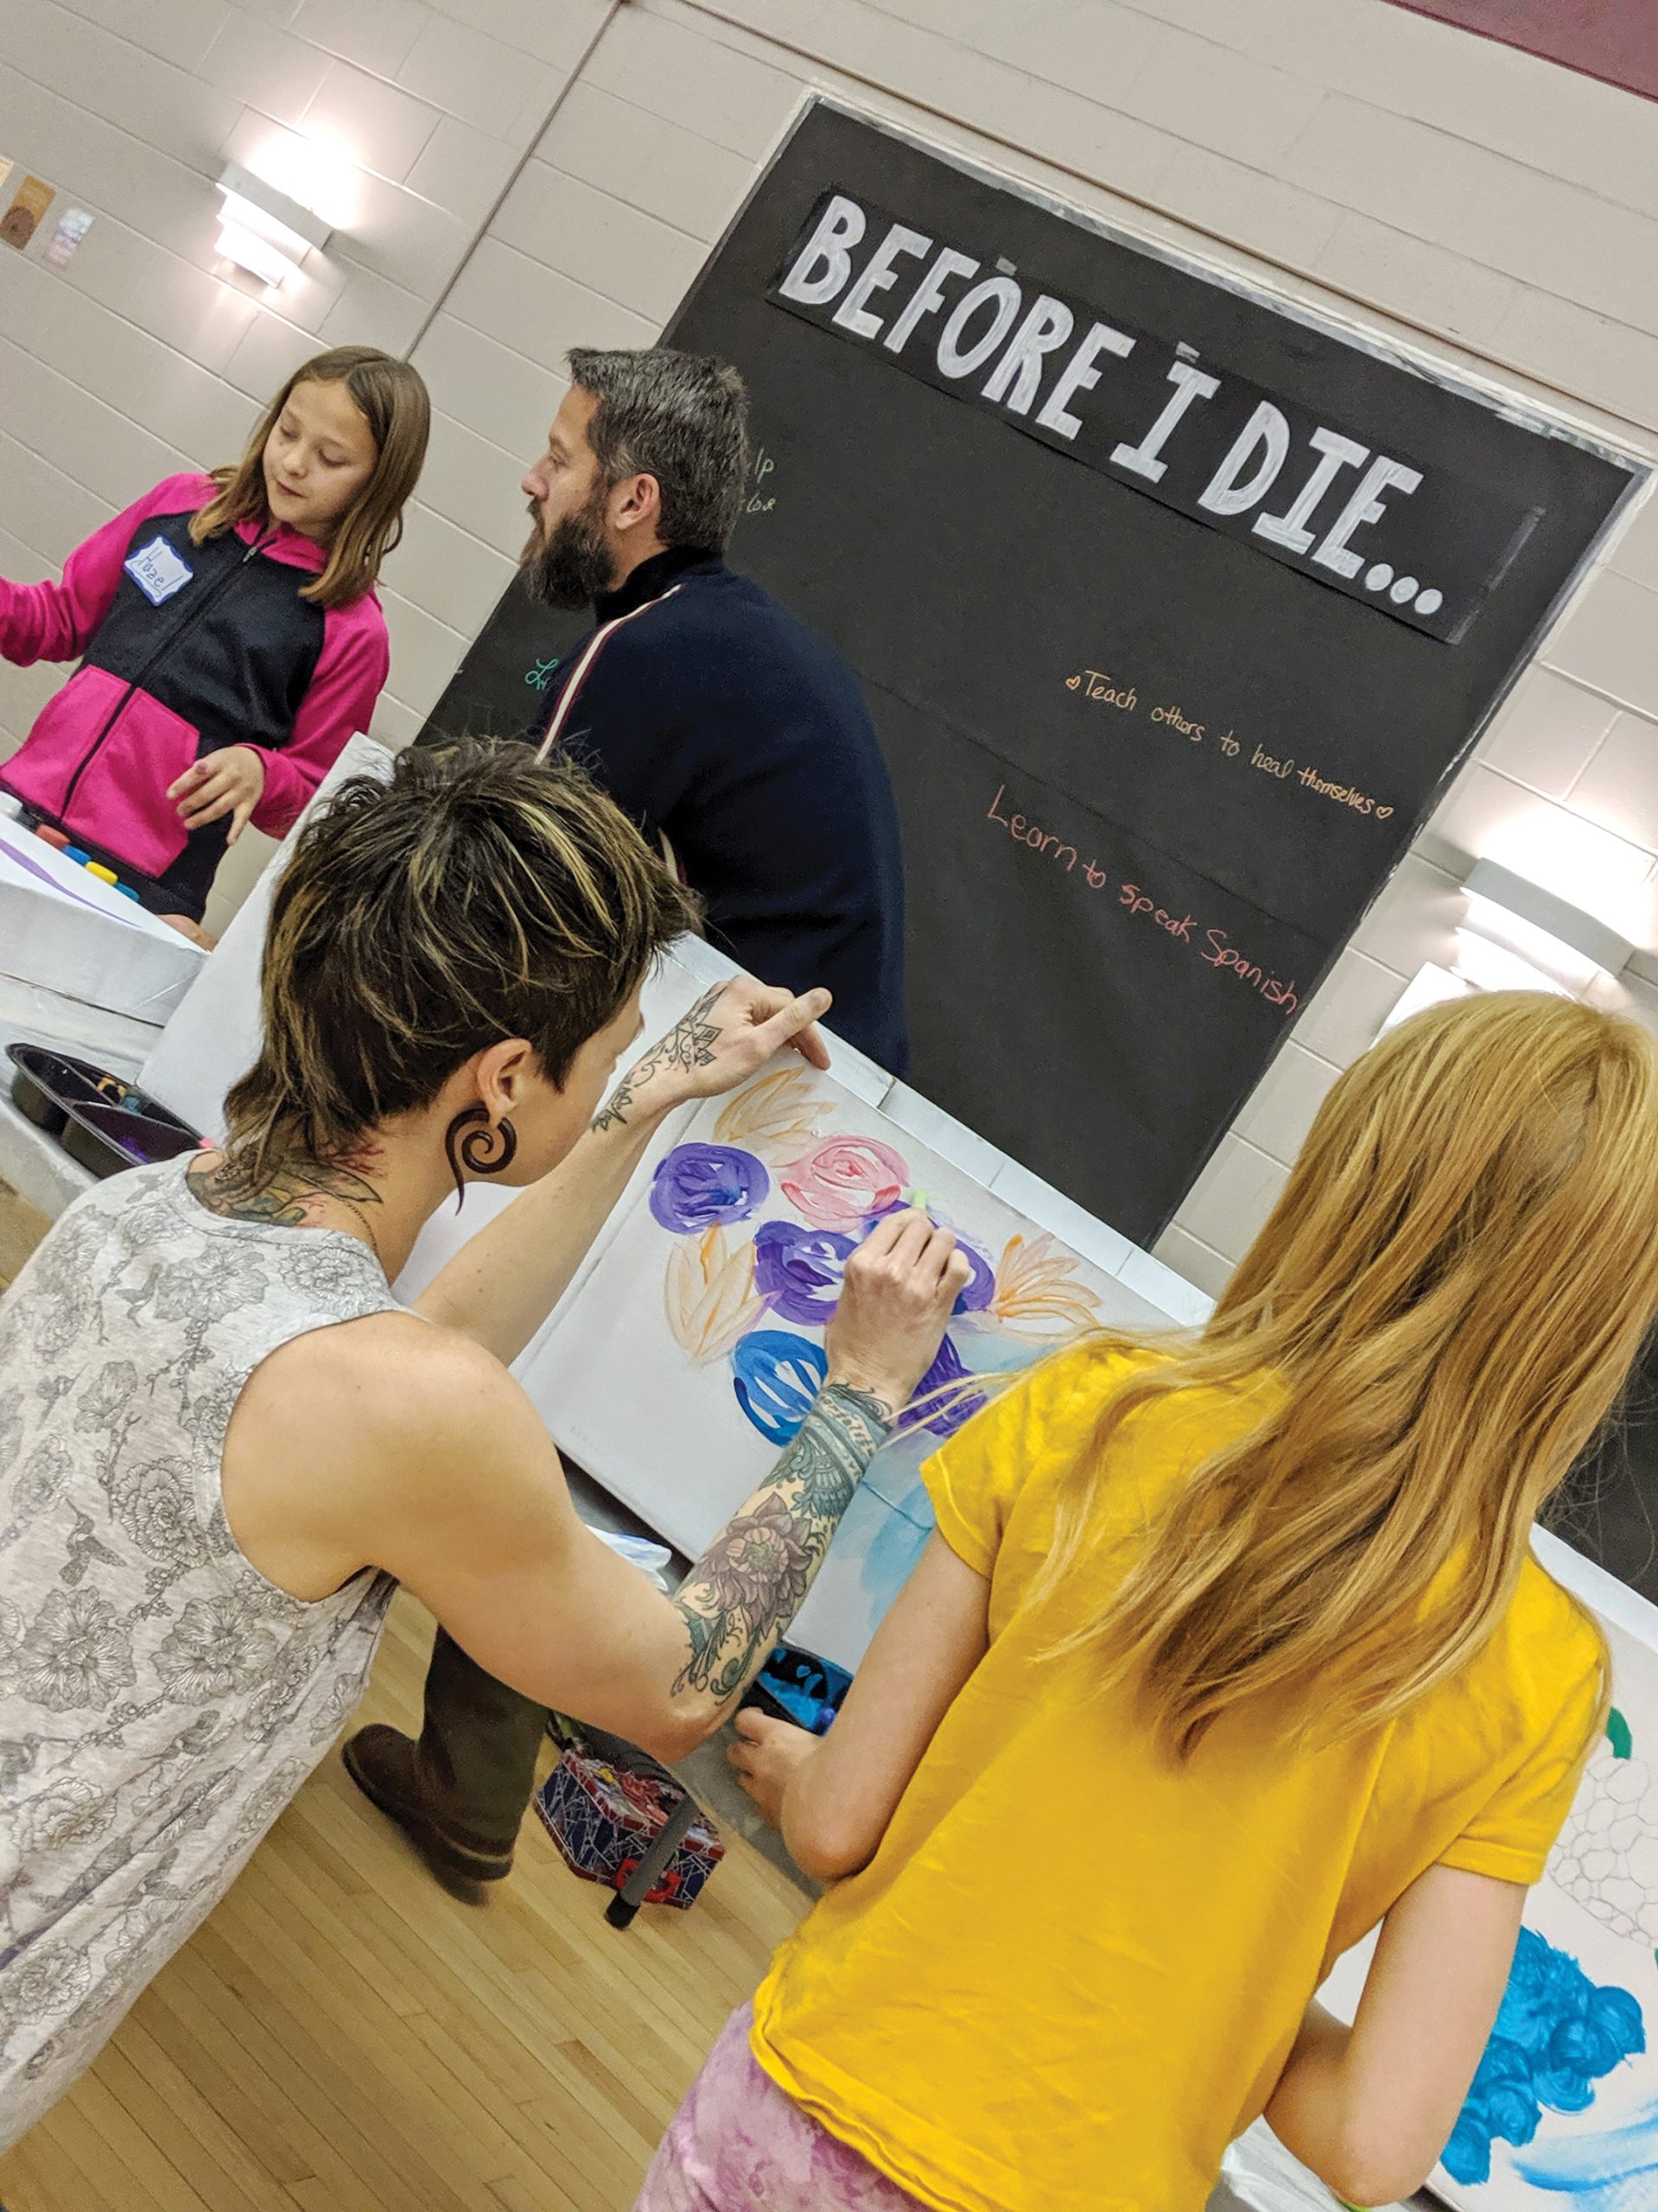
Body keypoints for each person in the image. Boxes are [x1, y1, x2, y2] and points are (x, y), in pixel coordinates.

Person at [0, 739, 968, 2150]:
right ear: (504, 1078)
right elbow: (675, 1687)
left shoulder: (156, 1214)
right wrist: (858, 1394)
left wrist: (630, 1108)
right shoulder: (395, 1409)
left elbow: (416, 1359)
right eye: (605, 1045)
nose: (616, 1067)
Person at [638, 989, 1658, 2212]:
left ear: (1339, 1173)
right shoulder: (1538, 1673)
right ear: (1594, 1319)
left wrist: (826, 1784)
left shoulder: (1092, 1405)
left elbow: (834, 1825)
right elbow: (1370, 2146)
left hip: (802, 2116)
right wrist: (1196, 1986)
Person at [518, 343, 909, 1076]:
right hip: (832, 1076)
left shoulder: (644, 647)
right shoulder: (739, 636)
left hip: (750, 1070)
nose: (533, 480)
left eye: (559, 460)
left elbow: (508, 886)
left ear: (634, 500)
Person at [0, 345, 429, 937]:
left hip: (139, 887)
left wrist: (262, 772)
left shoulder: (353, 630)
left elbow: (318, 799)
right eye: (287, 431)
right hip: (19, 808)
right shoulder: (178, 504)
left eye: (330, 458)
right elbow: (57, 618)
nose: (295, 462)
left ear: (378, 485)